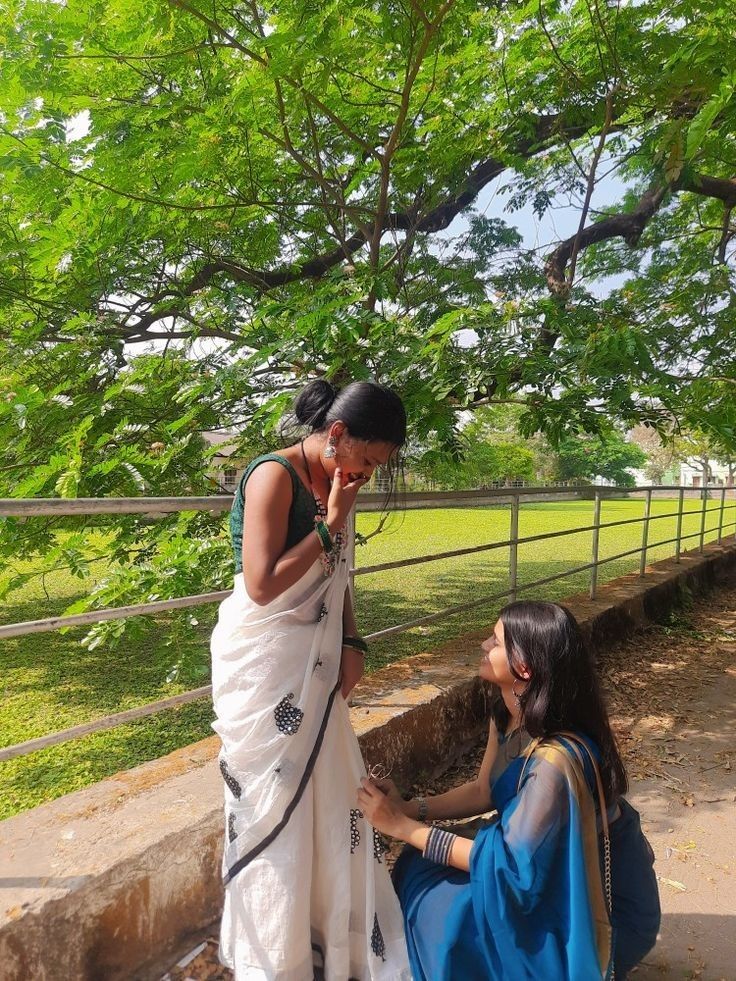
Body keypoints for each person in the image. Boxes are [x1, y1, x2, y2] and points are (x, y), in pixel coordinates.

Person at [210, 378, 411, 980]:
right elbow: (263, 584)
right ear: (338, 434)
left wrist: (352, 640)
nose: (370, 473)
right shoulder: (273, 475)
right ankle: (276, 955)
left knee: (329, 794)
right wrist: (330, 521)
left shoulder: (340, 481)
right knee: (272, 805)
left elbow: (338, 573)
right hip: (266, 664)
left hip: (320, 663)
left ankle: (329, 933)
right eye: (370, 459)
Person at [357, 600, 661, 980]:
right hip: (537, 872)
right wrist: (408, 808)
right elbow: (485, 789)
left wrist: (401, 828)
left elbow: (509, 865)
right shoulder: (508, 714)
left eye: (497, 641)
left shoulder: (555, 760)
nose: (485, 645)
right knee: (418, 865)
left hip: (597, 915)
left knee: (444, 912)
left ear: (525, 666)